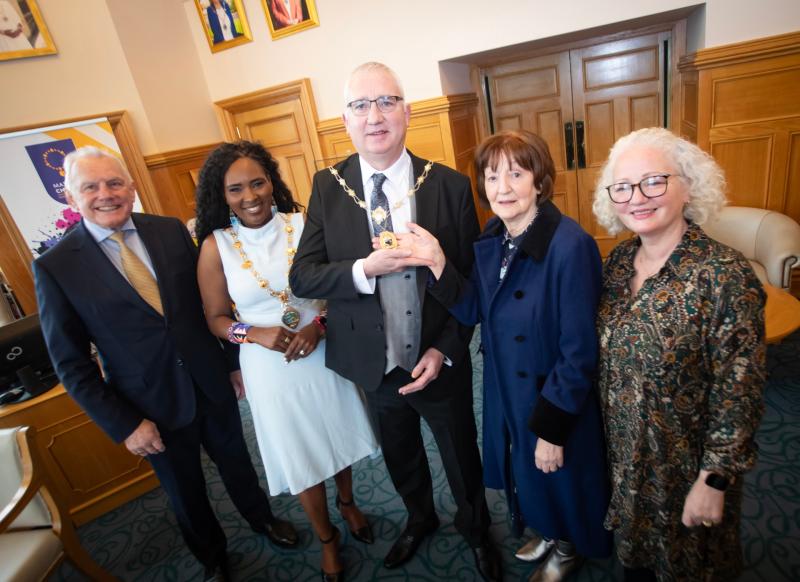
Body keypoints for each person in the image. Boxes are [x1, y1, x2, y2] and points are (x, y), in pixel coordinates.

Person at [33, 147, 298, 582]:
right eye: (91, 187)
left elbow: (210, 304)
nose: (106, 194)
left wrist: (233, 363)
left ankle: (263, 519)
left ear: (132, 187)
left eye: (115, 183)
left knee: (238, 463)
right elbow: (71, 364)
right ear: (70, 196)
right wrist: (124, 424)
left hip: (211, 380)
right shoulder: (56, 267)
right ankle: (214, 557)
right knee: (185, 491)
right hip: (148, 406)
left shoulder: (170, 231)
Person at [289, 62, 501, 581]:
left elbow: (471, 284)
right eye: (361, 105)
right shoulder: (327, 186)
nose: (374, 115)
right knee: (400, 453)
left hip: (437, 358)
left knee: (460, 455)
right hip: (372, 361)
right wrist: (363, 270)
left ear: (406, 112)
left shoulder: (448, 184)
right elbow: (304, 276)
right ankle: (419, 518)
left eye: (386, 102)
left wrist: (445, 348)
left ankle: (476, 531)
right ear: (345, 120)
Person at [397, 130, 613, 581]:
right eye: (492, 176)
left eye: (516, 173)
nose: (502, 188)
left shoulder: (569, 246)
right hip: (507, 387)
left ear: (540, 180)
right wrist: (438, 261)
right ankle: (551, 532)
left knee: (560, 469)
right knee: (527, 468)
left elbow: (579, 352)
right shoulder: (496, 235)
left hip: (553, 394)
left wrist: (555, 428)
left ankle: (570, 545)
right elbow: (475, 307)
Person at [194, 141, 379, 582]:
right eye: (236, 189)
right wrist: (252, 334)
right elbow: (217, 320)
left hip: (323, 348)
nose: (250, 196)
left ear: (272, 183)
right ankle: (326, 538)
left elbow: (340, 290)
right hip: (268, 366)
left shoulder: (304, 224)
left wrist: (320, 326)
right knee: (299, 452)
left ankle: (348, 502)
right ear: (222, 196)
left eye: (257, 183)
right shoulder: (215, 247)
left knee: (337, 434)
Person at [591, 127, 766, 581]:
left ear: (688, 186)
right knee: (637, 568)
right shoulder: (615, 264)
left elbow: (740, 392)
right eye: (624, 187)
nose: (637, 198)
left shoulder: (723, 274)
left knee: (690, 568)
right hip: (628, 461)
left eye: (654, 181)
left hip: (687, 470)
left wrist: (714, 480)